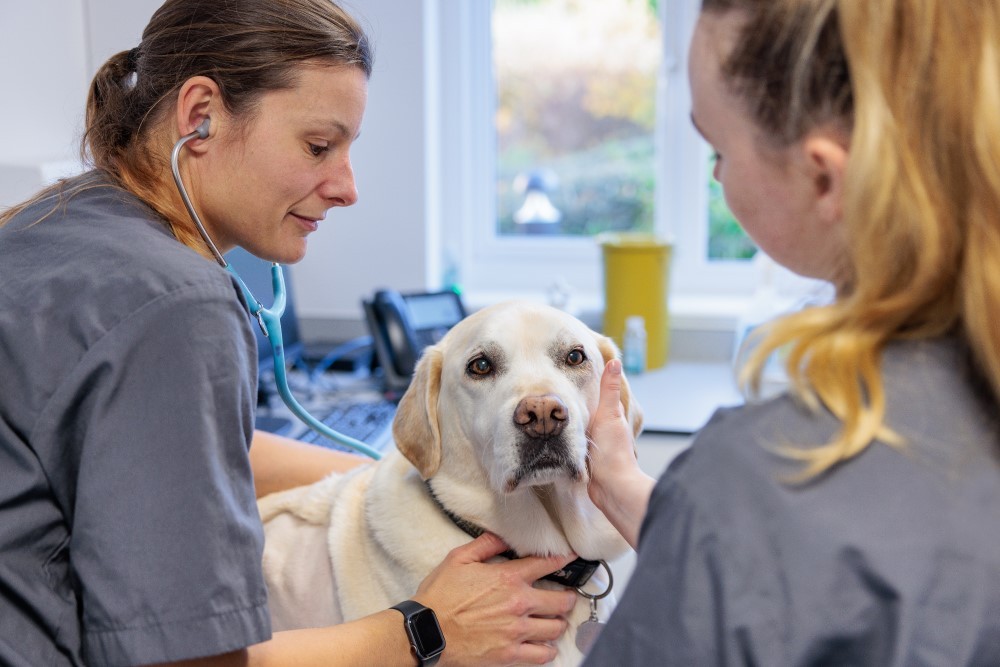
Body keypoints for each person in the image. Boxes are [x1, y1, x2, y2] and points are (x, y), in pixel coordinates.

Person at [0, 1, 579, 665]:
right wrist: (430, 628)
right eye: (317, 146)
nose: (347, 187)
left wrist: (402, 480)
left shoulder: (54, 223)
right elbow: (193, 660)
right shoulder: (176, 304)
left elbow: (187, 452)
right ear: (200, 116)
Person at [584, 0, 1000, 664]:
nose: (717, 176)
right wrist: (640, 499)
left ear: (822, 175)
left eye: (719, 149)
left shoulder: (754, 481)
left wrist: (710, 529)